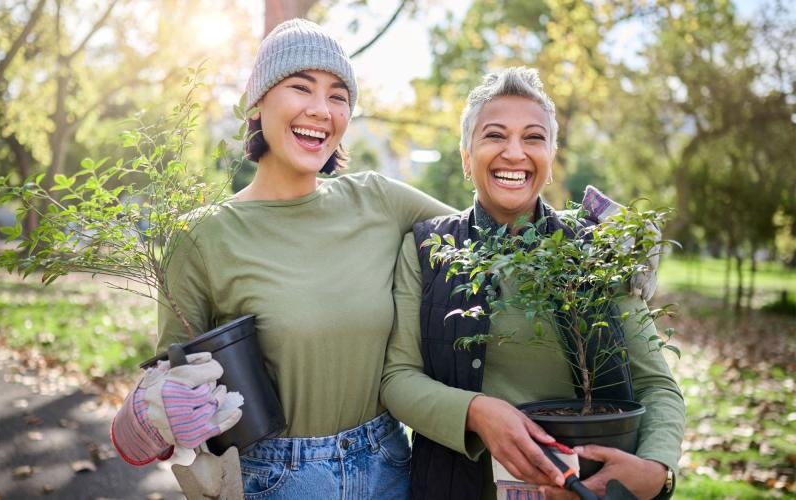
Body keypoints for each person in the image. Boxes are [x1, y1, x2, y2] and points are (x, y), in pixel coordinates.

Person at [110, 18, 457, 498]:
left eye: (338, 96)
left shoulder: (379, 200)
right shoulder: (202, 236)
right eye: (301, 87)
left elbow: (487, 240)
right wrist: (157, 412)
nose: (321, 109)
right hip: (273, 479)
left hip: (390, 464)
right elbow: (167, 386)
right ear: (258, 103)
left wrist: (592, 229)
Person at [380, 67, 685, 500]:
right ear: (467, 158)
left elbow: (656, 383)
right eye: (494, 136)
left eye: (533, 138)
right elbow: (398, 378)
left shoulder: (598, 252)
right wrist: (476, 412)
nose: (514, 152)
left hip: (588, 487)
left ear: (551, 158)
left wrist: (657, 470)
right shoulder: (428, 249)